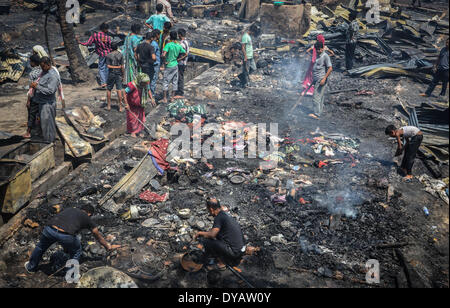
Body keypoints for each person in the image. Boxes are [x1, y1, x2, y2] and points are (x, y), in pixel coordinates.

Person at [24, 204, 120, 273]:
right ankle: (70, 274)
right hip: (65, 235)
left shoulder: (70, 209)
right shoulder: (86, 217)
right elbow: (97, 235)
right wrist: (108, 246)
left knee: (40, 247)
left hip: (49, 229)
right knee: (77, 251)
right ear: (89, 213)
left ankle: (31, 267)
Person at [194, 198, 246, 269]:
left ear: (211, 209)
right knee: (215, 236)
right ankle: (226, 257)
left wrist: (200, 233)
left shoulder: (219, 217)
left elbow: (212, 234)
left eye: (208, 210)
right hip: (242, 250)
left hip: (234, 252)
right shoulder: (224, 214)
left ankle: (221, 262)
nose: (208, 212)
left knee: (207, 242)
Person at [30, 57, 59, 143]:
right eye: (41, 66)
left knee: (48, 124)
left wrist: (37, 86)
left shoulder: (53, 76)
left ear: (48, 64)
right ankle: (48, 140)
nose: (42, 68)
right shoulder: (44, 72)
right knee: (44, 124)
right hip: (41, 102)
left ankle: (49, 142)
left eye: (43, 66)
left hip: (47, 104)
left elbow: (50, 90)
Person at [78, 23, 112, 88]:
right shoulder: (107, 36)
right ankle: (107, 82)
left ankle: (103, 82)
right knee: (107, 68)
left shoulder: (95, 35)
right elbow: (110, 45)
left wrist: (80, 42)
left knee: (101, 68)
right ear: (105, 29)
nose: (107, 30)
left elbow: (88, 43)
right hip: (108, 54)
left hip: (101, 54)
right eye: (107, 29)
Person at [124, 73, 155, 138]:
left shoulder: (145, 84)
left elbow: (148, 90)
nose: (145, 85)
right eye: (144, 83)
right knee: (132, 118)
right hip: (131, 105)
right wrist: (126, 104)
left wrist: (151, 98)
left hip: (140, 104)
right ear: (140, 81)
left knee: (140, 118)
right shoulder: (132, 85)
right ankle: (133, 132)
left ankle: (139, 131)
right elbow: (124, 93)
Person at [309, 41, 332, 119]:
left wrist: (324, 78)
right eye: (316, 50)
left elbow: (330, 68)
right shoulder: (318, 55)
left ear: (322, 48)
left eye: (319, 49)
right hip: (317, 79)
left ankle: (316, 114)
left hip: (321, 79)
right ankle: (319, 112)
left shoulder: (325, 56)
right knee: (320, 96)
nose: (318, 51)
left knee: (316, 97)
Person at [161, 30, 186, 103]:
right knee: (175, 81)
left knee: (166, 81)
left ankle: (165, 98)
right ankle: (172, 98)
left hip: (169, 65)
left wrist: (165, 61)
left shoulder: (168, 45)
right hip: (175, 64)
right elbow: (185, 53)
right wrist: (178, 59)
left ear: (170, 37)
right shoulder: (178, 45)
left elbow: (163, 54)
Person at [23, 54, 42, 139]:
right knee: (40, 114)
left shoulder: (32, 73)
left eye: (30, 61)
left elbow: (31, 89)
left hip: (35, 97)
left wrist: (28, 101)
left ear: (33, 62)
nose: (30, 63)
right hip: (43, 96)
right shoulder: (44, 70)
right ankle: (40, 131)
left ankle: (28, 132)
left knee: (31, 114)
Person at [106, 41, 125, 112]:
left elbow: (108, 66)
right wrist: (123, 75)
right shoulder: (120, 55)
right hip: (118, 74)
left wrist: (114, 67)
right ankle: (120, 107)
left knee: (109, 89)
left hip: (111, 73)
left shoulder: (108, 55)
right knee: (119, 90)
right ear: (117, 47)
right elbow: (122, 66)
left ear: (111, 48)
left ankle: (108, 106)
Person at [176, 28, 189, 97]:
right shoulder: (186, 42)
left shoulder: (182, 44)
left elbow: (184, 54)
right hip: (184, 62)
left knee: (180, 78)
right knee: (180, 77)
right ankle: (179, 91)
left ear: (180, 35)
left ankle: (180, 93)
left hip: (181, 63)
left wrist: (178, 60)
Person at [150, 30, 161, 96]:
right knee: (153, 79)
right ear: (156, 35)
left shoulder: (153, 43)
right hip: (155, 64)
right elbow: (153, 55)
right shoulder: (154, 44)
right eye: (159, 35)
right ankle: (152, 94)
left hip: (154, 63)